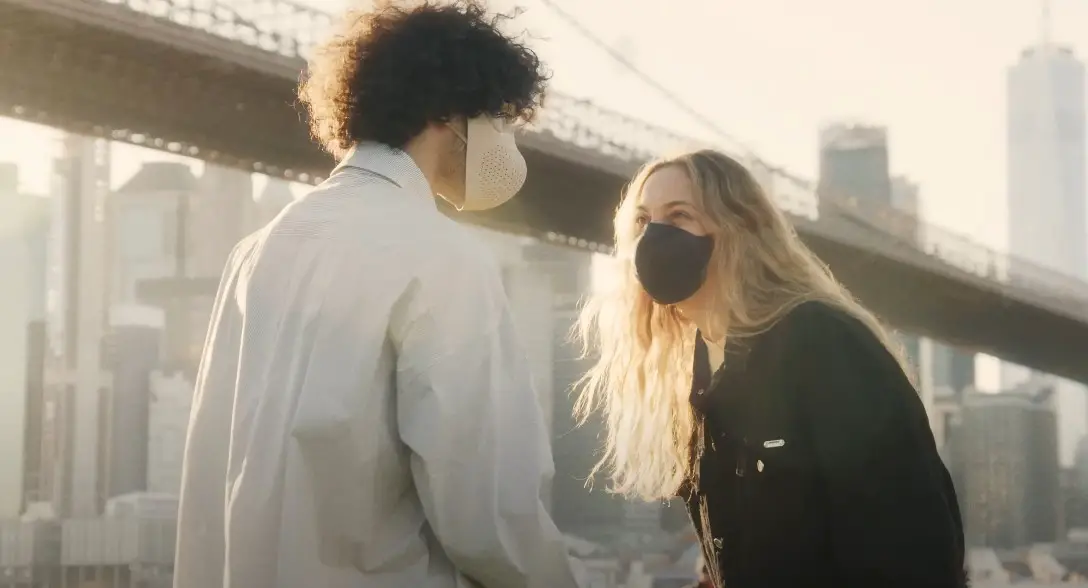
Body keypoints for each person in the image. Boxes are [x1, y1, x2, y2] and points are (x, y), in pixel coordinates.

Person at [174, 2, 583, 587]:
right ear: (449, 109)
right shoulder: (443, 256)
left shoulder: (256, 252)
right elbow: (486, 508)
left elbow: (209, 474)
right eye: (502, 117)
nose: (506, 139)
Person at [575, 149, 966, 588]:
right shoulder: (700, 368)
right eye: (644, 221)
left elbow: (915, 547)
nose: (656, 237)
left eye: (680, 215)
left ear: (739, 231)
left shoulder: (824, 342)